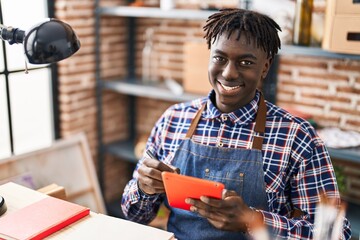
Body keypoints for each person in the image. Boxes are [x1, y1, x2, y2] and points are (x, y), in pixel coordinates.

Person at [121, 8, 351, 239]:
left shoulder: (298, 137)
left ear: (265, 67)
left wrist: (252, 220)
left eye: (245, 62)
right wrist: (144, 189)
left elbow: (335, 234)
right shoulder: (173, 119)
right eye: (220, 58)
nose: (229, 73)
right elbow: (134, 215)